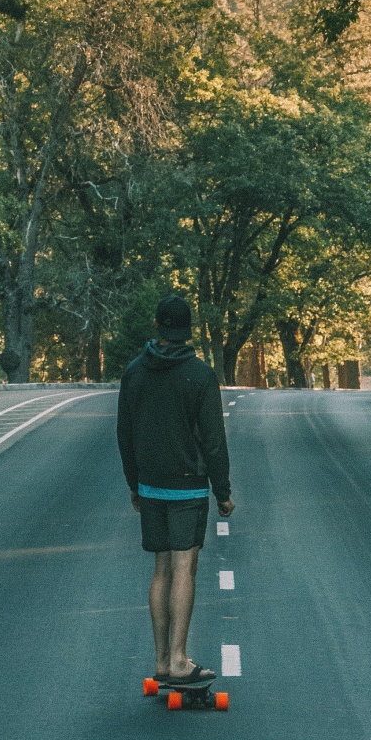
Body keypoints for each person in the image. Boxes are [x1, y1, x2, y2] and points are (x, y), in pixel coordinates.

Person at [117, 293, 234, 686]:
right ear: (189, 330)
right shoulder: (200, 376)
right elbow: (213, 441)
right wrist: (223, 491)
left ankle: (162, 660)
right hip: (187, 487)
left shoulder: (134, 372)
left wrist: (135, 484)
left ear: (157, 326)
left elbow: (124, 434)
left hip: (151, 486)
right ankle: (181, 658)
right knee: (185, 565)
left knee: (161, 569)